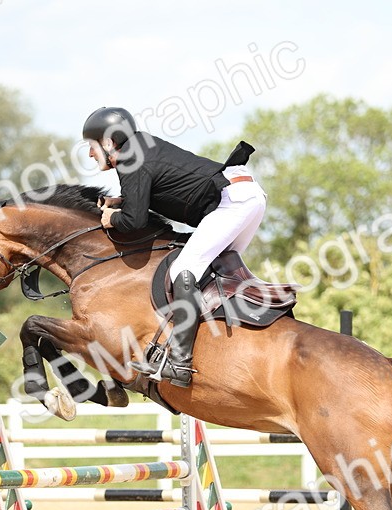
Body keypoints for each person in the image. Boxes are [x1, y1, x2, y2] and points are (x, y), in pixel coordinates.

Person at [81, 106, 267, 388]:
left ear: (108, 142)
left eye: (92, 146)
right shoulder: (141, 147)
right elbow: (159, 188)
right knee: (215, 272)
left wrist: (111, 218)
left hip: (233, 201)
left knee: (184, 269)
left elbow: (134, 221)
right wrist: (122, 203)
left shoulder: (130, 158)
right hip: (246, 193)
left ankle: (179, 363)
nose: (90, 154)